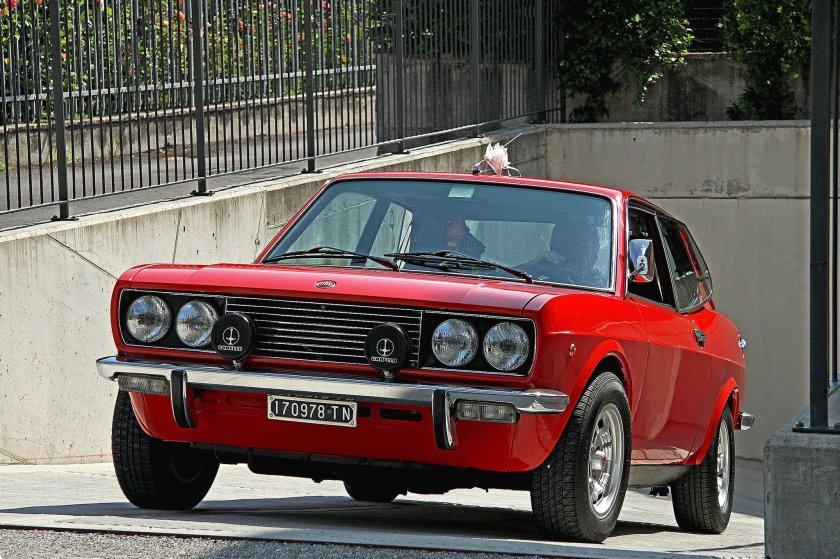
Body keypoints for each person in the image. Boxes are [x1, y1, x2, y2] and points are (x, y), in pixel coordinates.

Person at [519, 217, 604, 287]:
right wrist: (535, 266)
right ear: (552, 247)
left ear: (595, 252)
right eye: (563, 246)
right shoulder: (539, 285)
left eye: (580, 247)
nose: (571, 254)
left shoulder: (604, 285)